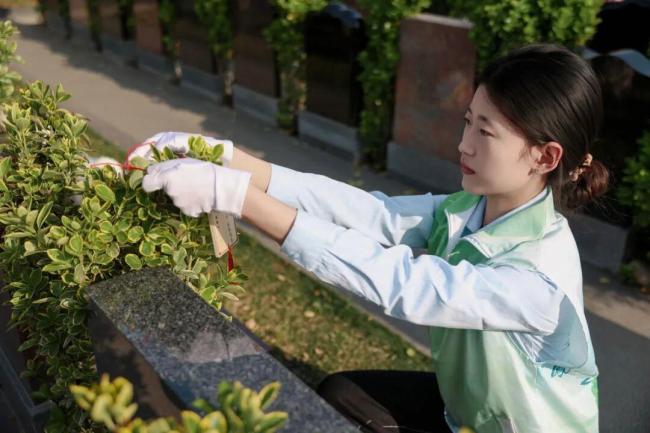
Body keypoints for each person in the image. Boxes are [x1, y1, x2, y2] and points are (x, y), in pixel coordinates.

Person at [130, 43, 610, 433]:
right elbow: (372, 213)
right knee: (340, 397)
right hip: (467, 411)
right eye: (468, 121)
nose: (464, 144)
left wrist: (238, 197)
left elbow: (404, 283)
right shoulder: (468, 207)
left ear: (545, 157)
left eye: (485, 133)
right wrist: (233, 160)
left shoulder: (538, 278)